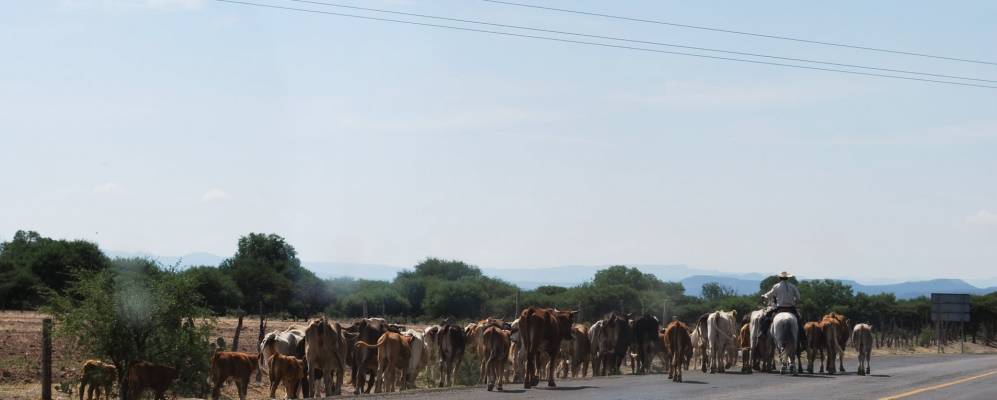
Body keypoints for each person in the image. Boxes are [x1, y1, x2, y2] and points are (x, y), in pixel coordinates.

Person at [759, 271, 804, 341]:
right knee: (799, 320)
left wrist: (763, 296)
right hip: (791, 308)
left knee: (767, 317)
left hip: (779, 308)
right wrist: (795, 301)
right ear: (788, 278)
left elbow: (769, 294)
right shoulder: (793, 286)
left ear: (780, 278)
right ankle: (803, 336)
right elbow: (798, 297)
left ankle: (762, 333)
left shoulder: (776, 286)